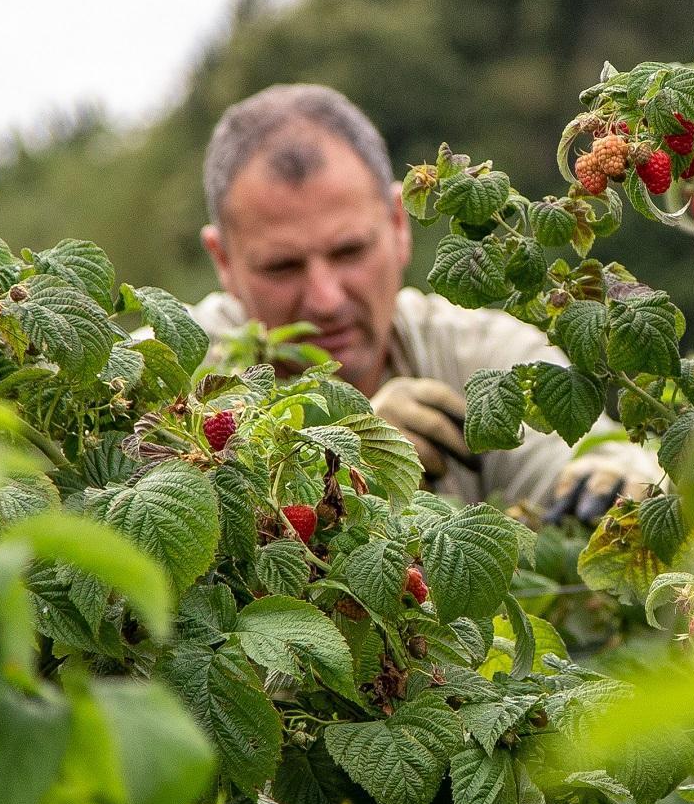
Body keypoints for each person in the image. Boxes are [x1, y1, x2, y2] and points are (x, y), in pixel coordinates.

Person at [191, 83, 659, 521]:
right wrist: (352, 454)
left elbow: (590, 464)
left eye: (350, 251)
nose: (326, 300)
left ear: (399, 224)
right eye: (282, 267)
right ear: (223, 262)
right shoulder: (166, 381)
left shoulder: (480, 357)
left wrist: (616, 479)